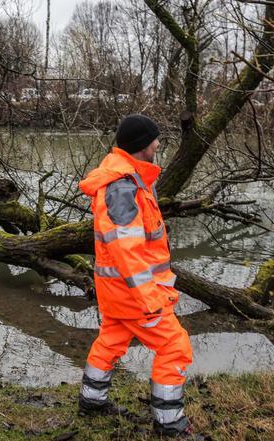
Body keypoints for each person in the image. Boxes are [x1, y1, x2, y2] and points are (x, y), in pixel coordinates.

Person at [77, 114, 196, 438]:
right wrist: (150, 297)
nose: (159, 143)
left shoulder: (129, 180)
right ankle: (169, 423)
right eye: (155, 139)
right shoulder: (122, 186)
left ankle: (92, 401)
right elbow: (126, 250)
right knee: (175, 346)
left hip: (118, 291)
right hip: (134, 293)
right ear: (142, 145)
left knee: (111, 340)